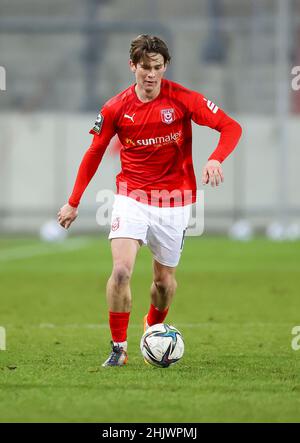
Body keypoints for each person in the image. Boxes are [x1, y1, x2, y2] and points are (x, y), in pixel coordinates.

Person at [57, 34, 242, 367]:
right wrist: (73, 201)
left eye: (157, 67)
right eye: (145, 67)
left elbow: (230, 127)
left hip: (175, 200)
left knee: (163, 282)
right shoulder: (116, 107)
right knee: (122, 271)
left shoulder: (184, 99)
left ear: (165, 66)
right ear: (133, 66)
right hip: (132, 197)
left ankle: (153, 329)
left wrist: (215, 158)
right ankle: (118, 349)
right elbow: (95, 152)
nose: (151, 74)